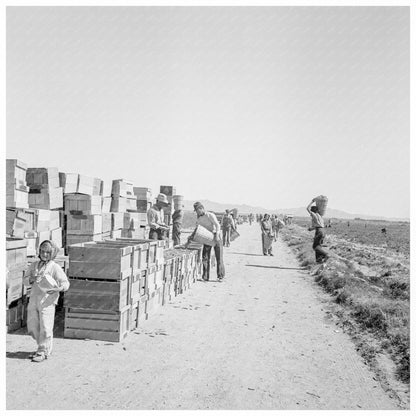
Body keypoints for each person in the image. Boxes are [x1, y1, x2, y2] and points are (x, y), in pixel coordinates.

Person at [23, 240, 70, 362]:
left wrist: (58, 288)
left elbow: (65, 283)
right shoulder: (34, 265)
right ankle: (40, 347)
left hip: (48, 301)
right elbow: (25, 280)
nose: (44, 254)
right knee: (33, 325)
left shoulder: (54, 267)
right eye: (42, 251)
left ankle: (43, 351)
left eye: (47, 252)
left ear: (52, 253)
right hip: (34, 299)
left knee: (45, 326)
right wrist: (31, 279)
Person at [188, 202, 225, 281]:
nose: (197, 212)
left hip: (216, 236)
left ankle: (220, 276)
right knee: (205, 257)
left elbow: (217, 225)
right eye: (196, 211)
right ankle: (205, 276)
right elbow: (197, 229)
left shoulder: (210, 215)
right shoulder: (199, 219)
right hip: (207, 238)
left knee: (219, 257)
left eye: (198, 210)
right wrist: (191, 237)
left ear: (201, 208)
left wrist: (217, 234)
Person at [306, 199, 329, 264]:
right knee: (318, 245)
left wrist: (312, 201)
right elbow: (319, 225)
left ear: (313, 211)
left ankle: (325, 254)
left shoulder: (314, 214)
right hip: (323, 231)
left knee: (315, 246)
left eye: (311, 210)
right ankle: (319, 260)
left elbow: (307, 208)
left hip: (319, 232)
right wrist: (311, 229)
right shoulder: (320, 216)